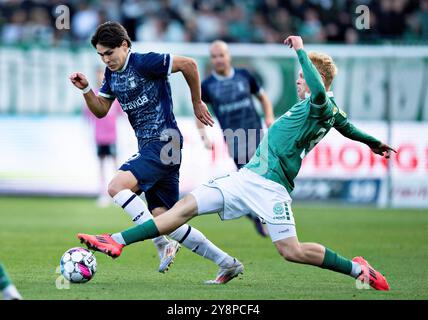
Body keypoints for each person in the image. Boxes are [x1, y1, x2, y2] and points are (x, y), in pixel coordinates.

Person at [77, 35, 396, 290]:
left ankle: (358, 269)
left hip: (272, 187)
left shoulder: (319, 103)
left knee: (291, 251)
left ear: (317, 81)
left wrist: (300, 51)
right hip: (245, 178)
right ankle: (117, 241)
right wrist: (372, 143)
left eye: (302, 78)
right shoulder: (332, 112)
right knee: (183, 208)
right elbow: (348, 127)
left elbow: (320, 94)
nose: (299, 83)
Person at [70, 21, 243, 283]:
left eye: (109, 53)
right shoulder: (112, 75)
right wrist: (85, 89)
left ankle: (161, 243)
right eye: (100, 55)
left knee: (116, 186)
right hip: (155, 147)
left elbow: (189, 64)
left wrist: (197, 102)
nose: (106, 59)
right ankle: (227, 263)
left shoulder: (145, 62)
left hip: (164, 141)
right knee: (165, 217)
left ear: (125, 45)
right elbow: (101, 110)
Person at [197, 40, 275, 237]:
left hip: (257, 134)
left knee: (264, 177)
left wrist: (269, 117)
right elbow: (199, 112)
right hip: (235, 139)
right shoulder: (207, 86)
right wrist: (204, 136)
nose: (218, 60)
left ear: (228, 56)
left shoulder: (244, 76)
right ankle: (256, 214)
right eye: (214, 57)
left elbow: (263, 97)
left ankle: (256, 213)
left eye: (221, 55)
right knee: (251, 179)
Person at [83, 67, 123, 207]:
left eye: (102, 75)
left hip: (112, 137)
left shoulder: (113, 94)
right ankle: (103, 193)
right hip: (99, 137)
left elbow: (122, 115)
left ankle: (119, 195)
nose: (100, 77)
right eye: (98, 75)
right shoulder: (92, 95)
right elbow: (87, 118)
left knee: (115, 166)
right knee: (101, 166)